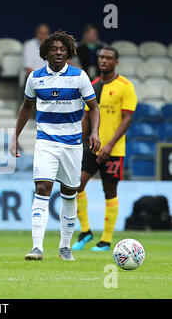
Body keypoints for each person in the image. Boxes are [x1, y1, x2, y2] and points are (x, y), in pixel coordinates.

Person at [9, 30, 101, 261]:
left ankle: (64, 245)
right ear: (46, 52)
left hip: (72, 145)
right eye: (54, 49)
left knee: (70, 193)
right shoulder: (35, 78)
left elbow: (94, 107)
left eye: (62, 49)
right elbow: (26, 108)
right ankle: (37, 247)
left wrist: (95, 132)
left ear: (68, 52)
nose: (58, 52)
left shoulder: (79, 77)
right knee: (42, 189)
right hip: (46, 142)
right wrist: (15, 136)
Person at [72, 47, 138, 252]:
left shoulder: (125, 86)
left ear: (116, 62)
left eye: (109, 58)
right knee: (76, 186)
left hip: (114, 150)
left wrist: (109, 145)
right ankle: (85, 231)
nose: (104, 60)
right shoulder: (92, 85)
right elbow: (86, 116)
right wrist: (79, 142)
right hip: (92, 147)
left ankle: (106, 241)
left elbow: (127, 119)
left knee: (109, 191)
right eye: (101, 57)